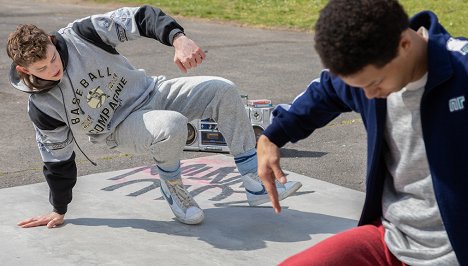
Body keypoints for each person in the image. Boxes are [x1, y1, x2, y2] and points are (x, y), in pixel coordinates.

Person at [7, 5, 302, 228]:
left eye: (52, 58)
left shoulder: (82, 34)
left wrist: (178, 38)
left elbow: (139, 17)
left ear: (50, 40)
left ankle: (253, 179)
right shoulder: (43, 107)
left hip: (153, 90)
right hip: (120, 127)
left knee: (223, 90)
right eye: (42, 69)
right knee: (171, 126)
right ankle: (173, 188)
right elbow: (57, 159)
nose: (53, 69)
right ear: (25, 70)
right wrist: (59, 208)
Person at [257, 0, 467, 265]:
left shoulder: (462, 71)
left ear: (404, 45)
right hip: (392, 240)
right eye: (358, 87)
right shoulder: (369, 71)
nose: (368, 96)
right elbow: (325, 91)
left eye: (374, 83)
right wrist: (271, 136)